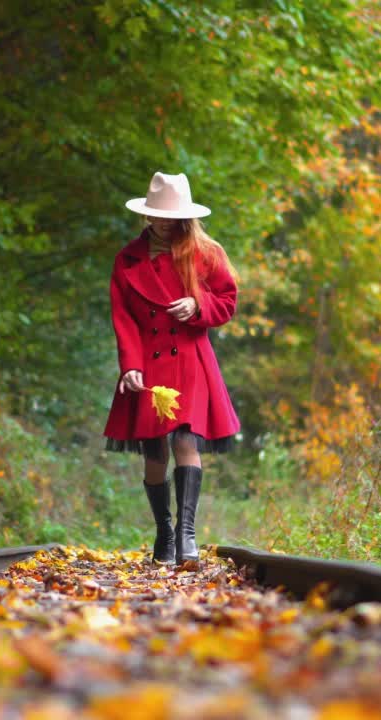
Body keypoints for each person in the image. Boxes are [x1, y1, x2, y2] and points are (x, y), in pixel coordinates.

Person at [104, 171, 240, 565]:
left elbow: (227, 301)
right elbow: (123, 317)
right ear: (147, 214)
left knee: (185, 439)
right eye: (155, 214)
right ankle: (164, 532)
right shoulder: (127, 259)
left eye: (170, 215)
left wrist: (198, 306)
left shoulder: (205, 252)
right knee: (153, 453)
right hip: (146, 362)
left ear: (185, 216)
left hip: (188, 357)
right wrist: (129, 365)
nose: (161, 222)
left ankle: (187, 533)